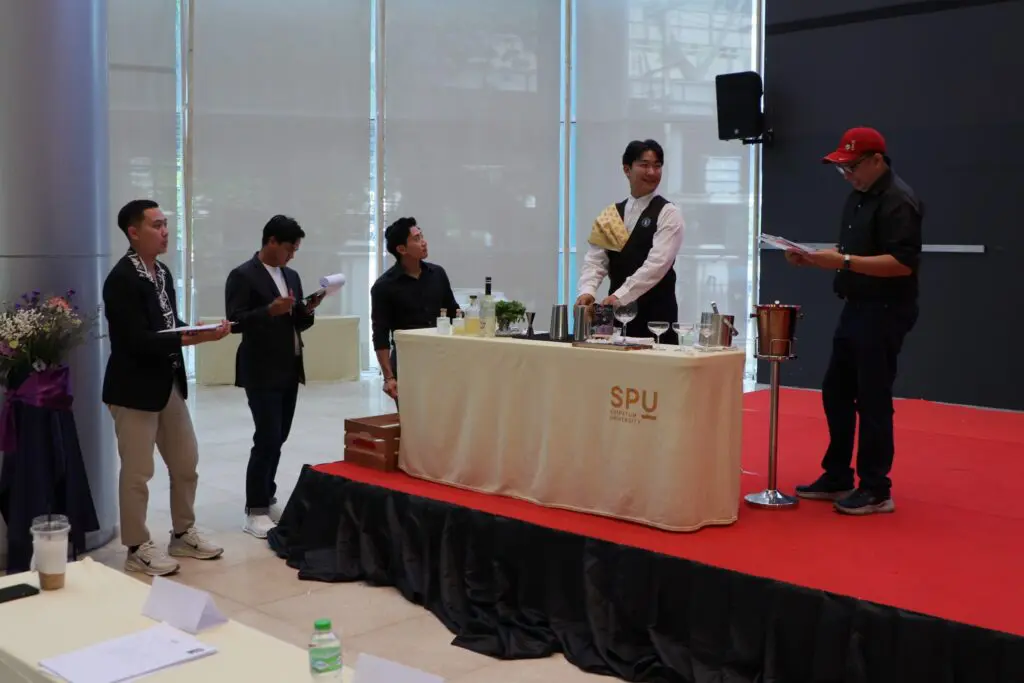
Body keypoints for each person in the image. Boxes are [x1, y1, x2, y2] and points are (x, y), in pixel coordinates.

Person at [787, 127, 922, 515]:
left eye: (852, 167)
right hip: (856, 305)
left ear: (877, 160)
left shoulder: (899, 201)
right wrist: (814, 258)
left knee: (873, 397)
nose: (847, 176)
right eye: (842, 169)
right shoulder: (859, 197)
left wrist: (843, 261)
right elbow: (852, 251)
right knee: (836, 391)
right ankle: (838, 474)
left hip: (885, 309)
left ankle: (876, 487)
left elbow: (901, 264)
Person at [103, 199, 230, 576]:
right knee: (138, 472)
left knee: (186, 462)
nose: (165, 232)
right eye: (156, 225)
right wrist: (190, 338)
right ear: (133, 232)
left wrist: (199, 331)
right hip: (134, 389)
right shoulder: (121, 280)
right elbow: (137, 340)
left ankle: (183, 532)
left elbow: (169, 324)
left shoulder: (161, 272)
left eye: (165, 224)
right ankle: (136, 546)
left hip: (167, 382)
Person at [225, 215, 321, 539]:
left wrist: (307, 310)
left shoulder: (290, 275)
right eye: (289, 249)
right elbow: (235, 322)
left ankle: (267, 496)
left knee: (279, 436)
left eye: (295, 251)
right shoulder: (243, 275)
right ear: (271, 242)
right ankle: (254, 510)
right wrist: (269, 310)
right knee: (266, 437)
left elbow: (297, 322)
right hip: (261, 368)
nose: (291, 256)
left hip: (289, 366)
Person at [575, 139, 685, 343]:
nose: (652, 172)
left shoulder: (669, 213)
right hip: (616, 316)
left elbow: (657, 264)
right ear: (627, 169)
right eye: (644, 165)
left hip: (656, 319)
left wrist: (620, 296)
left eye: (657, 166)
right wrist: (587, 291)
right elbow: (595, 261)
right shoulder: (611, 215)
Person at [370, 217, 459, 404]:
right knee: (413, 417)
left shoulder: (438, 274)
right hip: (407, 362)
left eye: (422, 236)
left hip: (442, 357)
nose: (424, 242)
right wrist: (388, 377)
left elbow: (454, 313)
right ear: (401, 249)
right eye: (417, 239)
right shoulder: (384, 287)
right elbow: (380, 334)